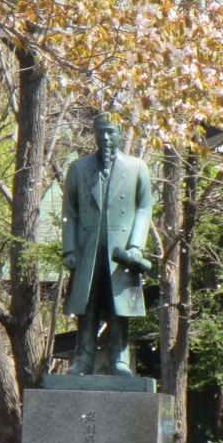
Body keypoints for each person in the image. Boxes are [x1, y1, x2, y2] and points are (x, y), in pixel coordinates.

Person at [61, 113, 153, 375]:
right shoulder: (78, 168)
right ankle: (83, 358)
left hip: (119, 252)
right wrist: (69, 249)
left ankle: (119, 359)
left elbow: (144, 208)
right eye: (100, 131)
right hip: (87, 249)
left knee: (117, 307)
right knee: (87, 307)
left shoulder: (137, 168)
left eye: (110, 131)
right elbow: (69, 212)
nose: (105, 137)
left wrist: (135, 246)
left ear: (120, 134)